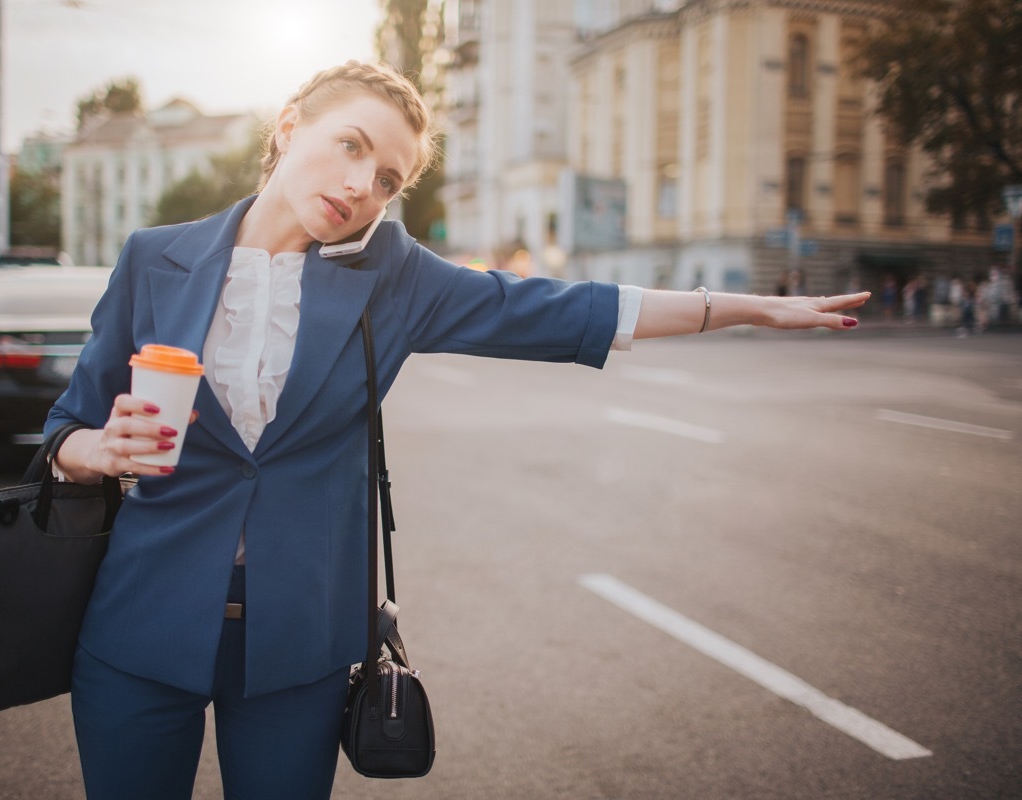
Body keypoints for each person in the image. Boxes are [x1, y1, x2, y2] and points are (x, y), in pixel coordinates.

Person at [44, 61, 869, 799]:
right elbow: (65, 432)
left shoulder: (395, 277)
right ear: (291, 127)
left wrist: (744, 308)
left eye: (389, 178)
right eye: (352, 145)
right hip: (142, 622)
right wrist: (96, 452)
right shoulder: (156, 258)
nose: (364, 183)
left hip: (301, 640)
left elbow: (555, 307)